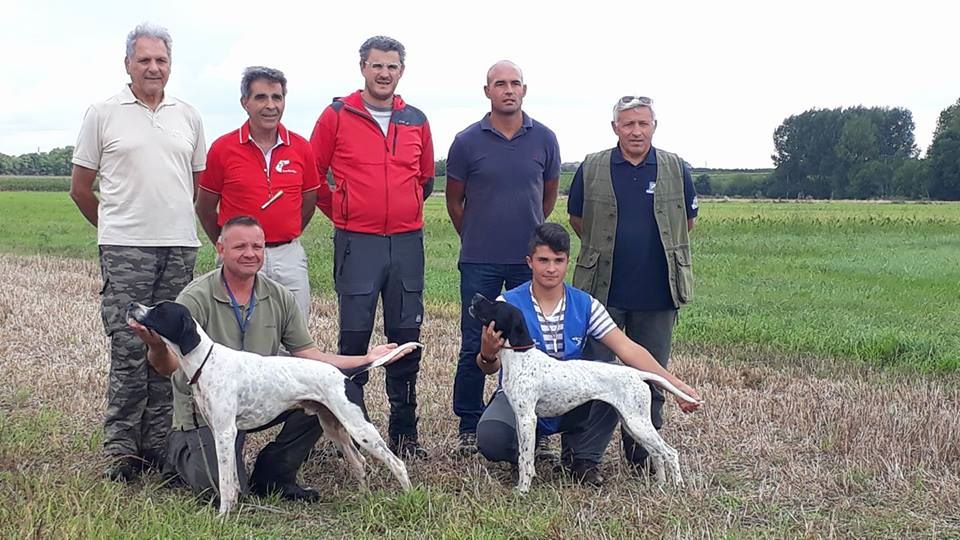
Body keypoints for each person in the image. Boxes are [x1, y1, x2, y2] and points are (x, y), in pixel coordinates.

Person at [129, 216, 410, 501]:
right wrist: (156, 346)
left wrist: (367, 358)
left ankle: (273, 475)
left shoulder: (278, 295)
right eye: (240, 246)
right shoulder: (194, 298)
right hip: (202, 412)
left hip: (261, 401)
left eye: (257, 246)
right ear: (220, 249)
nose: (250, 253)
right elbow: (168, 368)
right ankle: (183, 456)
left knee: (320, 396)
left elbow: (310, 356)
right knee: (216, 490)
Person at [70, 22, 206, 482]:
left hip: (179, 247)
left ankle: (161, 445)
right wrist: (114, 229)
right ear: (127, 63)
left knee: (171, 347)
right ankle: (122, 452)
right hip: (126, 249)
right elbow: (81, 189)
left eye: (161, 60)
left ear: (170, 65)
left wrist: (169, 221)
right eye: (144, 59)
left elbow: (197, 185)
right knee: (130, 348)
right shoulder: (103, 113)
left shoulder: (187, 115)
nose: (153, 67)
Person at [474, 224, 701, 485]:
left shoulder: (586, 304)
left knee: (615, 381)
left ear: (567, 262)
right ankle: (524, 456)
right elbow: (487, 367)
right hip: (523, 395)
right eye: (543, 260)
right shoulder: (507, 305)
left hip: (573, 399)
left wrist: (676, 385)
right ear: (529, 262)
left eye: (558, 261)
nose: (551, 268)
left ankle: (583, 458)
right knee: (492, 437)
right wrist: (489, 354)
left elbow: (628, 349)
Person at [309, 35, 434, 459]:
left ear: (402, 71)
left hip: (406, 243)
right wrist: (343, 212)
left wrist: (406, 208)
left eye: (392, 66)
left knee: (405, 339)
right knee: (355, 340)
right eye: (377, 65)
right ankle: (354, 431)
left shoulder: (415, 118)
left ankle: (405, 433)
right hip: (357, 243)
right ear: (362, 67)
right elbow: (314, 175)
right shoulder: (337, 115)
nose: (384, 73)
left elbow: (425, 180)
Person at [568, 95, 699, 472]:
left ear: (654, 126)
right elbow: (578, 219)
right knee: (593, 375)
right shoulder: (592, 166)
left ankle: (643, 455)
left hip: (658, 293)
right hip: (603, 291)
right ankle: (585, 457)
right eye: (628, 124)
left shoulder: (676, 167)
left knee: (652, 375)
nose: (636, 131)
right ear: (615, 128)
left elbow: (685, 225)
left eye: (643, 123)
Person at [445, 61, 561, 456]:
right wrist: (478, 236)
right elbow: (455, 201)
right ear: (487, 91)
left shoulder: (544, 138)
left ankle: (538, 428)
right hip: (479, 260)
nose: (508, 90)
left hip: (526, 261)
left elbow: (546, 198)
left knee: (533, 342)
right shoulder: (466, 142)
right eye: (500, 84)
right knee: (475, 341)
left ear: (524, 90)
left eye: (514, 84)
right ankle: (468, 422)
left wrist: (529, 241)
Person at [196, 66, 321, 318]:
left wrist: (284, 232)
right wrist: (228, 243)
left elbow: (308, 202)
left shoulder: (301, 147)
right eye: (261, 97)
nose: (271, 105)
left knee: (294, 336)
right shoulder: (223, 148)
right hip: (239, 256)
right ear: (245, 102)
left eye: (277, 97)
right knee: (236, 333)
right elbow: (205, 207)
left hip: (288, 256)